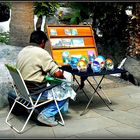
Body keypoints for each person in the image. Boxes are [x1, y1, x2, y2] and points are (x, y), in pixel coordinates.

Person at [16, 30, 76, 126]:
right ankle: (46, 115)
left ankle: (40, 110)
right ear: (42, 42)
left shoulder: (22, 51)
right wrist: (63, 77)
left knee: (54, 85)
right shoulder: (41, 53)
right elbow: (57, 74)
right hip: (35, 92)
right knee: (68, 91)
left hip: (23, 91)